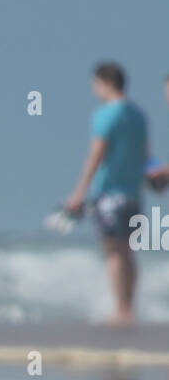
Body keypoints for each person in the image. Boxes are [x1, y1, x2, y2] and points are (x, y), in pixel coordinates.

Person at [64, 62, 148, 325]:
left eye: (95, 84)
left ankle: (121, 310)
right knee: (128, 251)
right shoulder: (138, 115)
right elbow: (145, 155)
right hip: (133, 193)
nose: (94, 89)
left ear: (105, 82)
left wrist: (78, 192)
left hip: (109, 193)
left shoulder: (105, 115)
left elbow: (96, 155)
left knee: (113, 251)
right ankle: (129, 307)